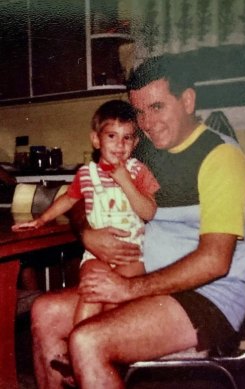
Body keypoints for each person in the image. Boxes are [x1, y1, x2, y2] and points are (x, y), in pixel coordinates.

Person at [30, 54, 245, 388]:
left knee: (88, 340)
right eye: (140, 111)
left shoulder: (220, 159)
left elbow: (214, 262)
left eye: (157, 107)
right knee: (44, 311)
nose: (147, 123)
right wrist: (87, 231)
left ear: (188, 100)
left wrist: (128, 289)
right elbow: (82, 189)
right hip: (148, 280)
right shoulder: (144, 153)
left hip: (208, 297)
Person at [13, 100, 159, 325]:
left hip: (133, 255)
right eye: (112, 136)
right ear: (96, 140)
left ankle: (102, 345)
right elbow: (68, 199)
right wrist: (41, 219)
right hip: (95, 255)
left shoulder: (139, 172)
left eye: (127, 137)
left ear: (135, 142)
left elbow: (149, 212)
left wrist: (126, 182)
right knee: (91, 291)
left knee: (114, 299)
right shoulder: (86, 174)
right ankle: (78, 341)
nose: (119, 145)